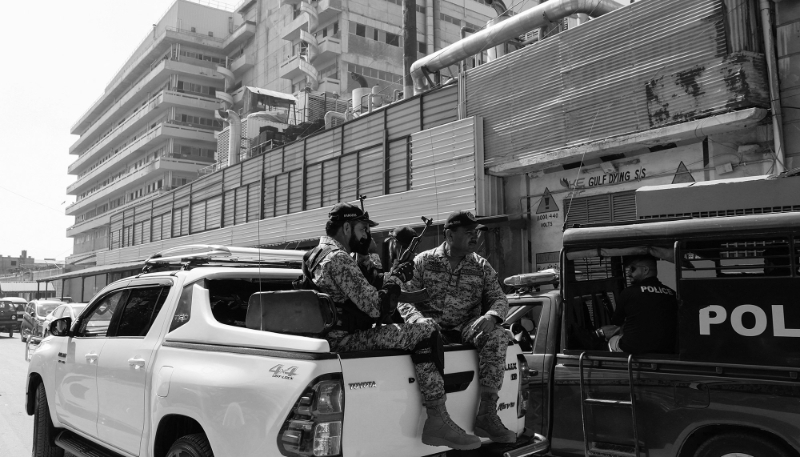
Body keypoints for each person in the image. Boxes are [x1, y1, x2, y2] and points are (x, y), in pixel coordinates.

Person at [304, 203, 482, 450]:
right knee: (425, 329)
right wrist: (397, 277)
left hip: (338, 335)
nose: (367, 235)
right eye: (363, 229)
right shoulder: (338, 259)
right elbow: (376, 306)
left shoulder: (316, 255)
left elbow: (367, 288)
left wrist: (382, 269)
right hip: (346, 339)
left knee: (419, 326)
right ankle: (437, 419)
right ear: (346, 227)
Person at [399, 210, 516, 444]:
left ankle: (487, 414)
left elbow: (499, 298)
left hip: (465, 327)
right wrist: (417, 320)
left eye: (477, 233)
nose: (475, 237)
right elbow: (404, 297)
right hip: (429, 329)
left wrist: (492, 316)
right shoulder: (424, 261)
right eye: (469, 233)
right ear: (450, 236)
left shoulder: (481, 265)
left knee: (498, 335)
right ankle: (438, 420)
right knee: (426, 330)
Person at [597, 256, 678, 354]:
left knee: (612, 340)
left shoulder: (629, 292)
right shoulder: (672, 294)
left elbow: (616, 320)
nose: (628, 273)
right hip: (668, 350)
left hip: (633, 350)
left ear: (645, 270)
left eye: (632, 269)